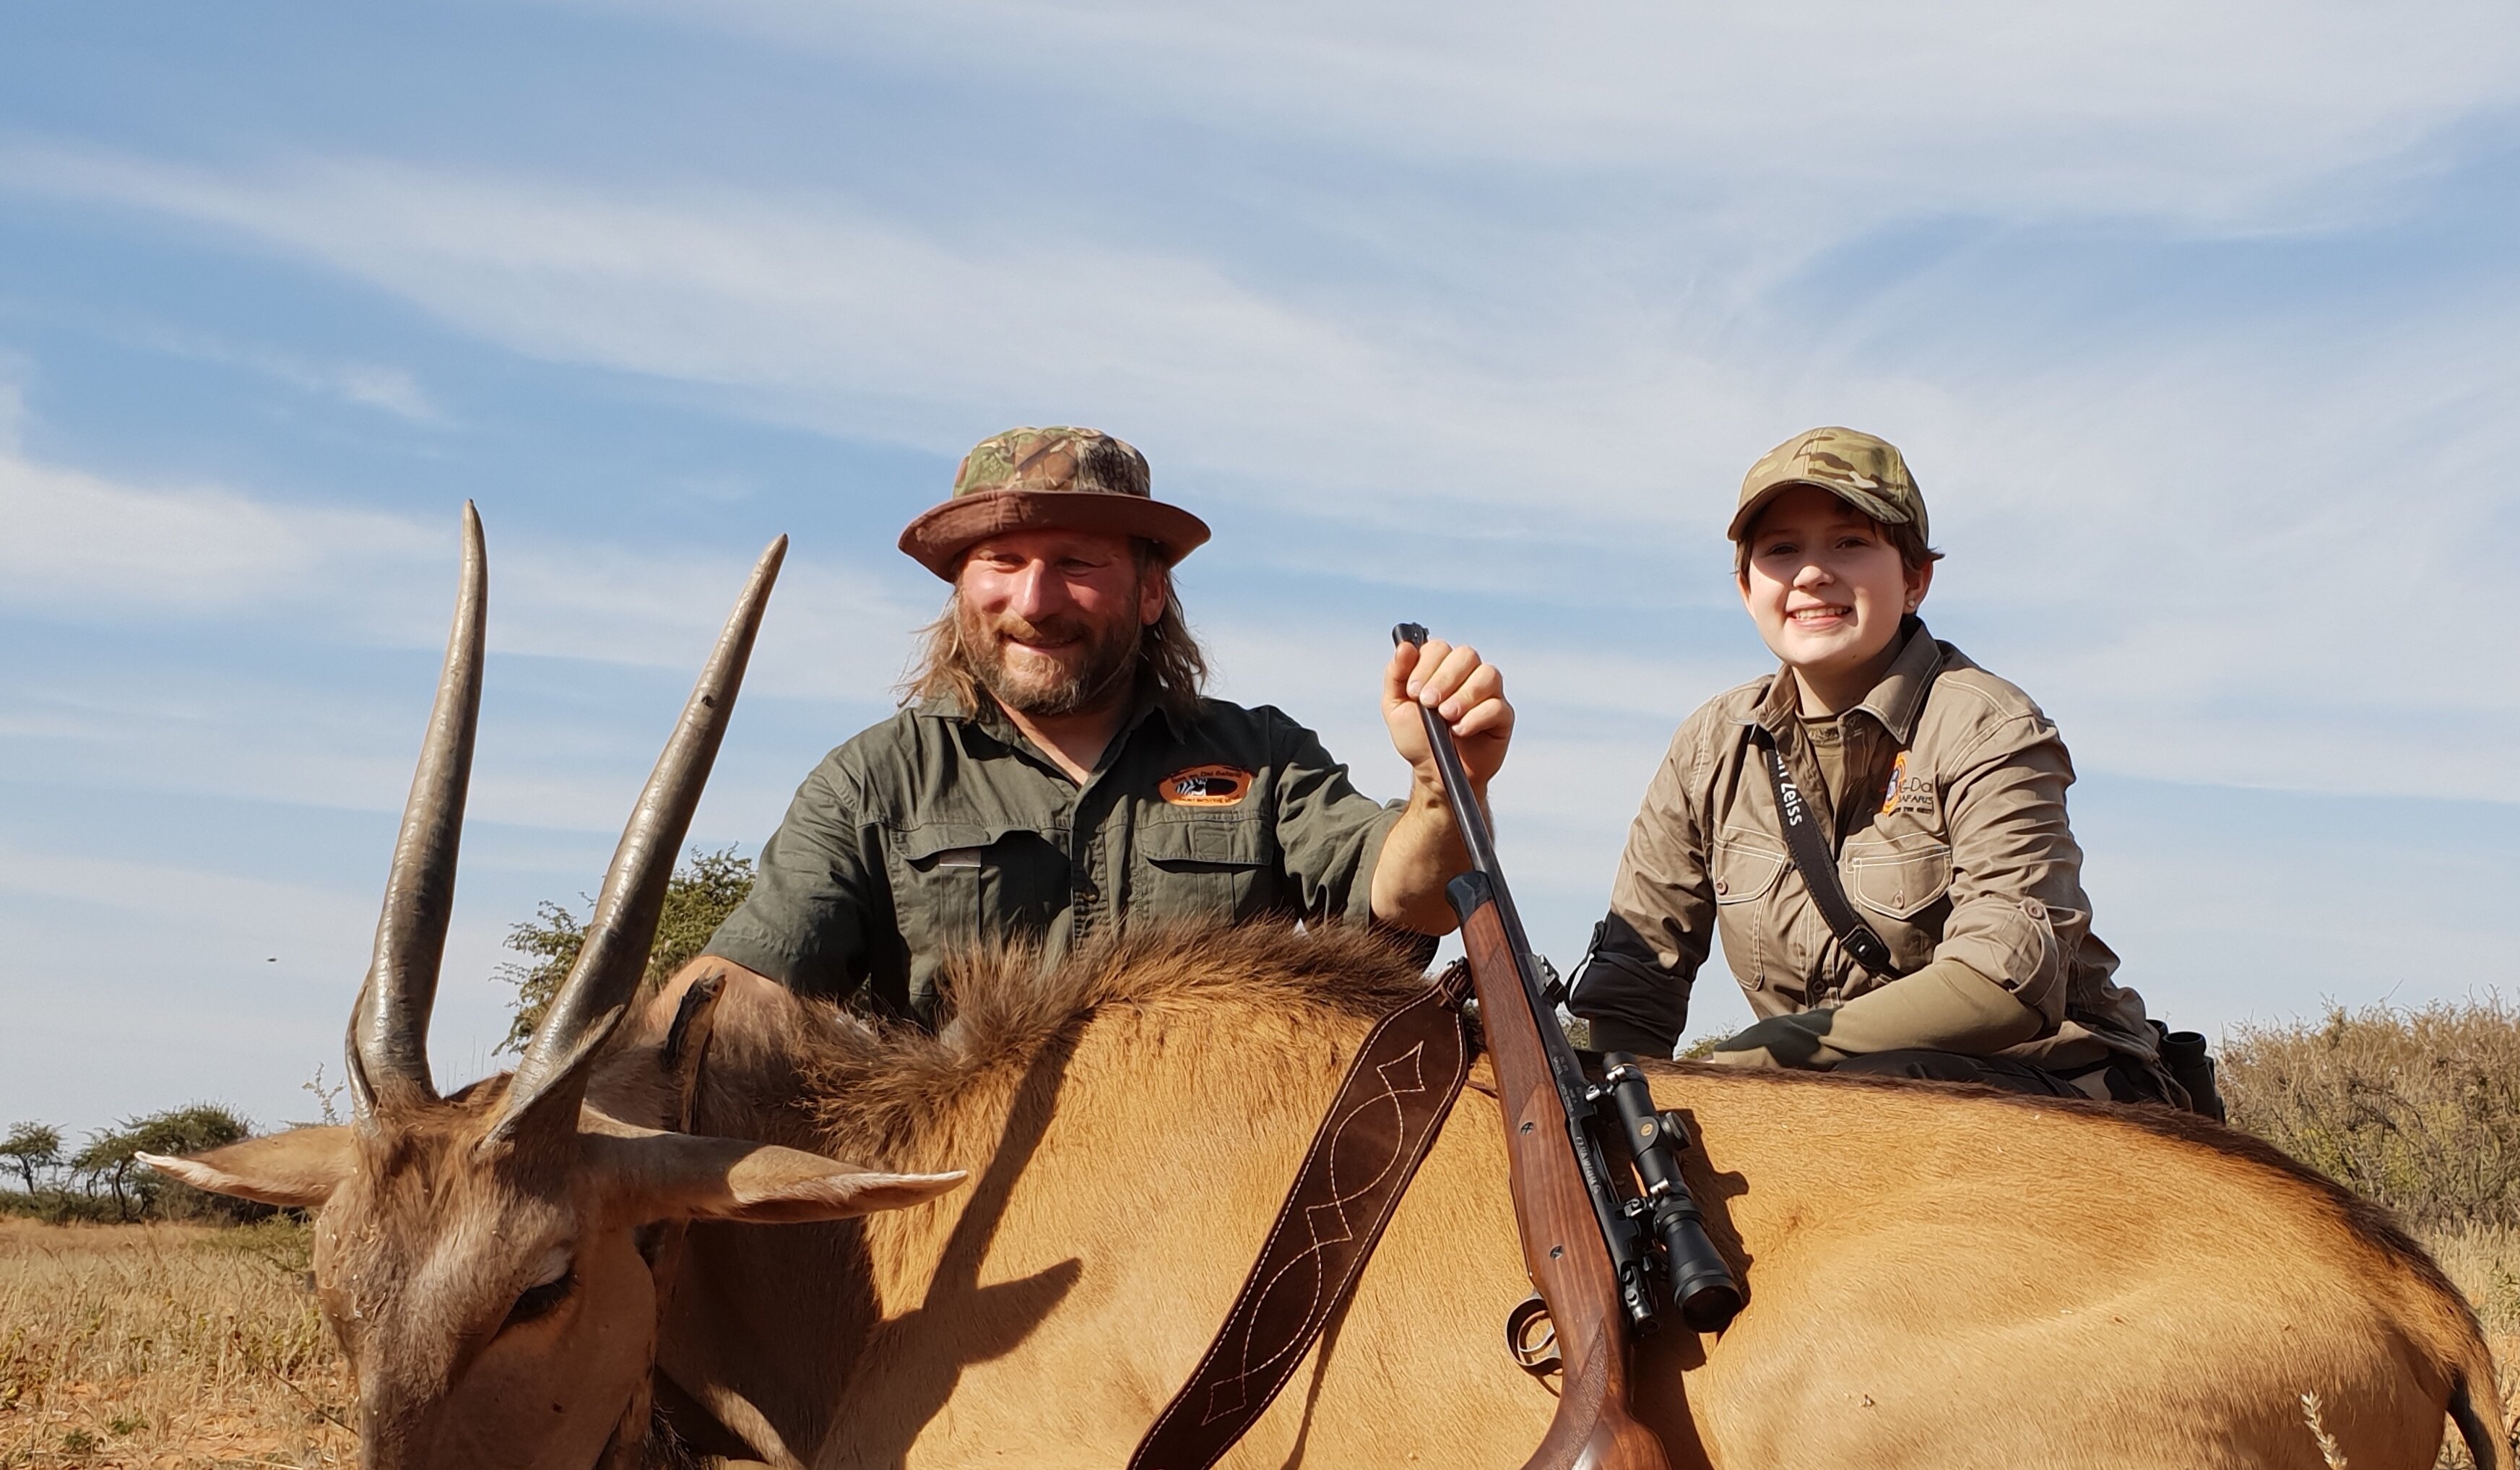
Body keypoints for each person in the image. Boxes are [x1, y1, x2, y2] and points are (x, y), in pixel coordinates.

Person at [690, 425, 1512, 1026]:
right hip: (961, 1213)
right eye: (1001, 564)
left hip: (1215, 1204)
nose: (1035, 601)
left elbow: (1406, 904)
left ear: (1151, 593)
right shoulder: (872, 780)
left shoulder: (1260, 756)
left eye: (1077, 564)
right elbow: (746, 993)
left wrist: (1445, 787)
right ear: (960, 588)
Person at [1567, 426, 2207, 1111]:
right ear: (1746, 587)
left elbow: (2006, 978)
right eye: (1782, 550)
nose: (1813, 572)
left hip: (2057, 1093)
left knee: (1876, 1096)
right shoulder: (1709, 745)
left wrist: (1763, 1056)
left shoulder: (1989, 725)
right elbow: (1635, 983)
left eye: (1851, 543)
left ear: (1915, 580)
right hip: (1832, 1102)